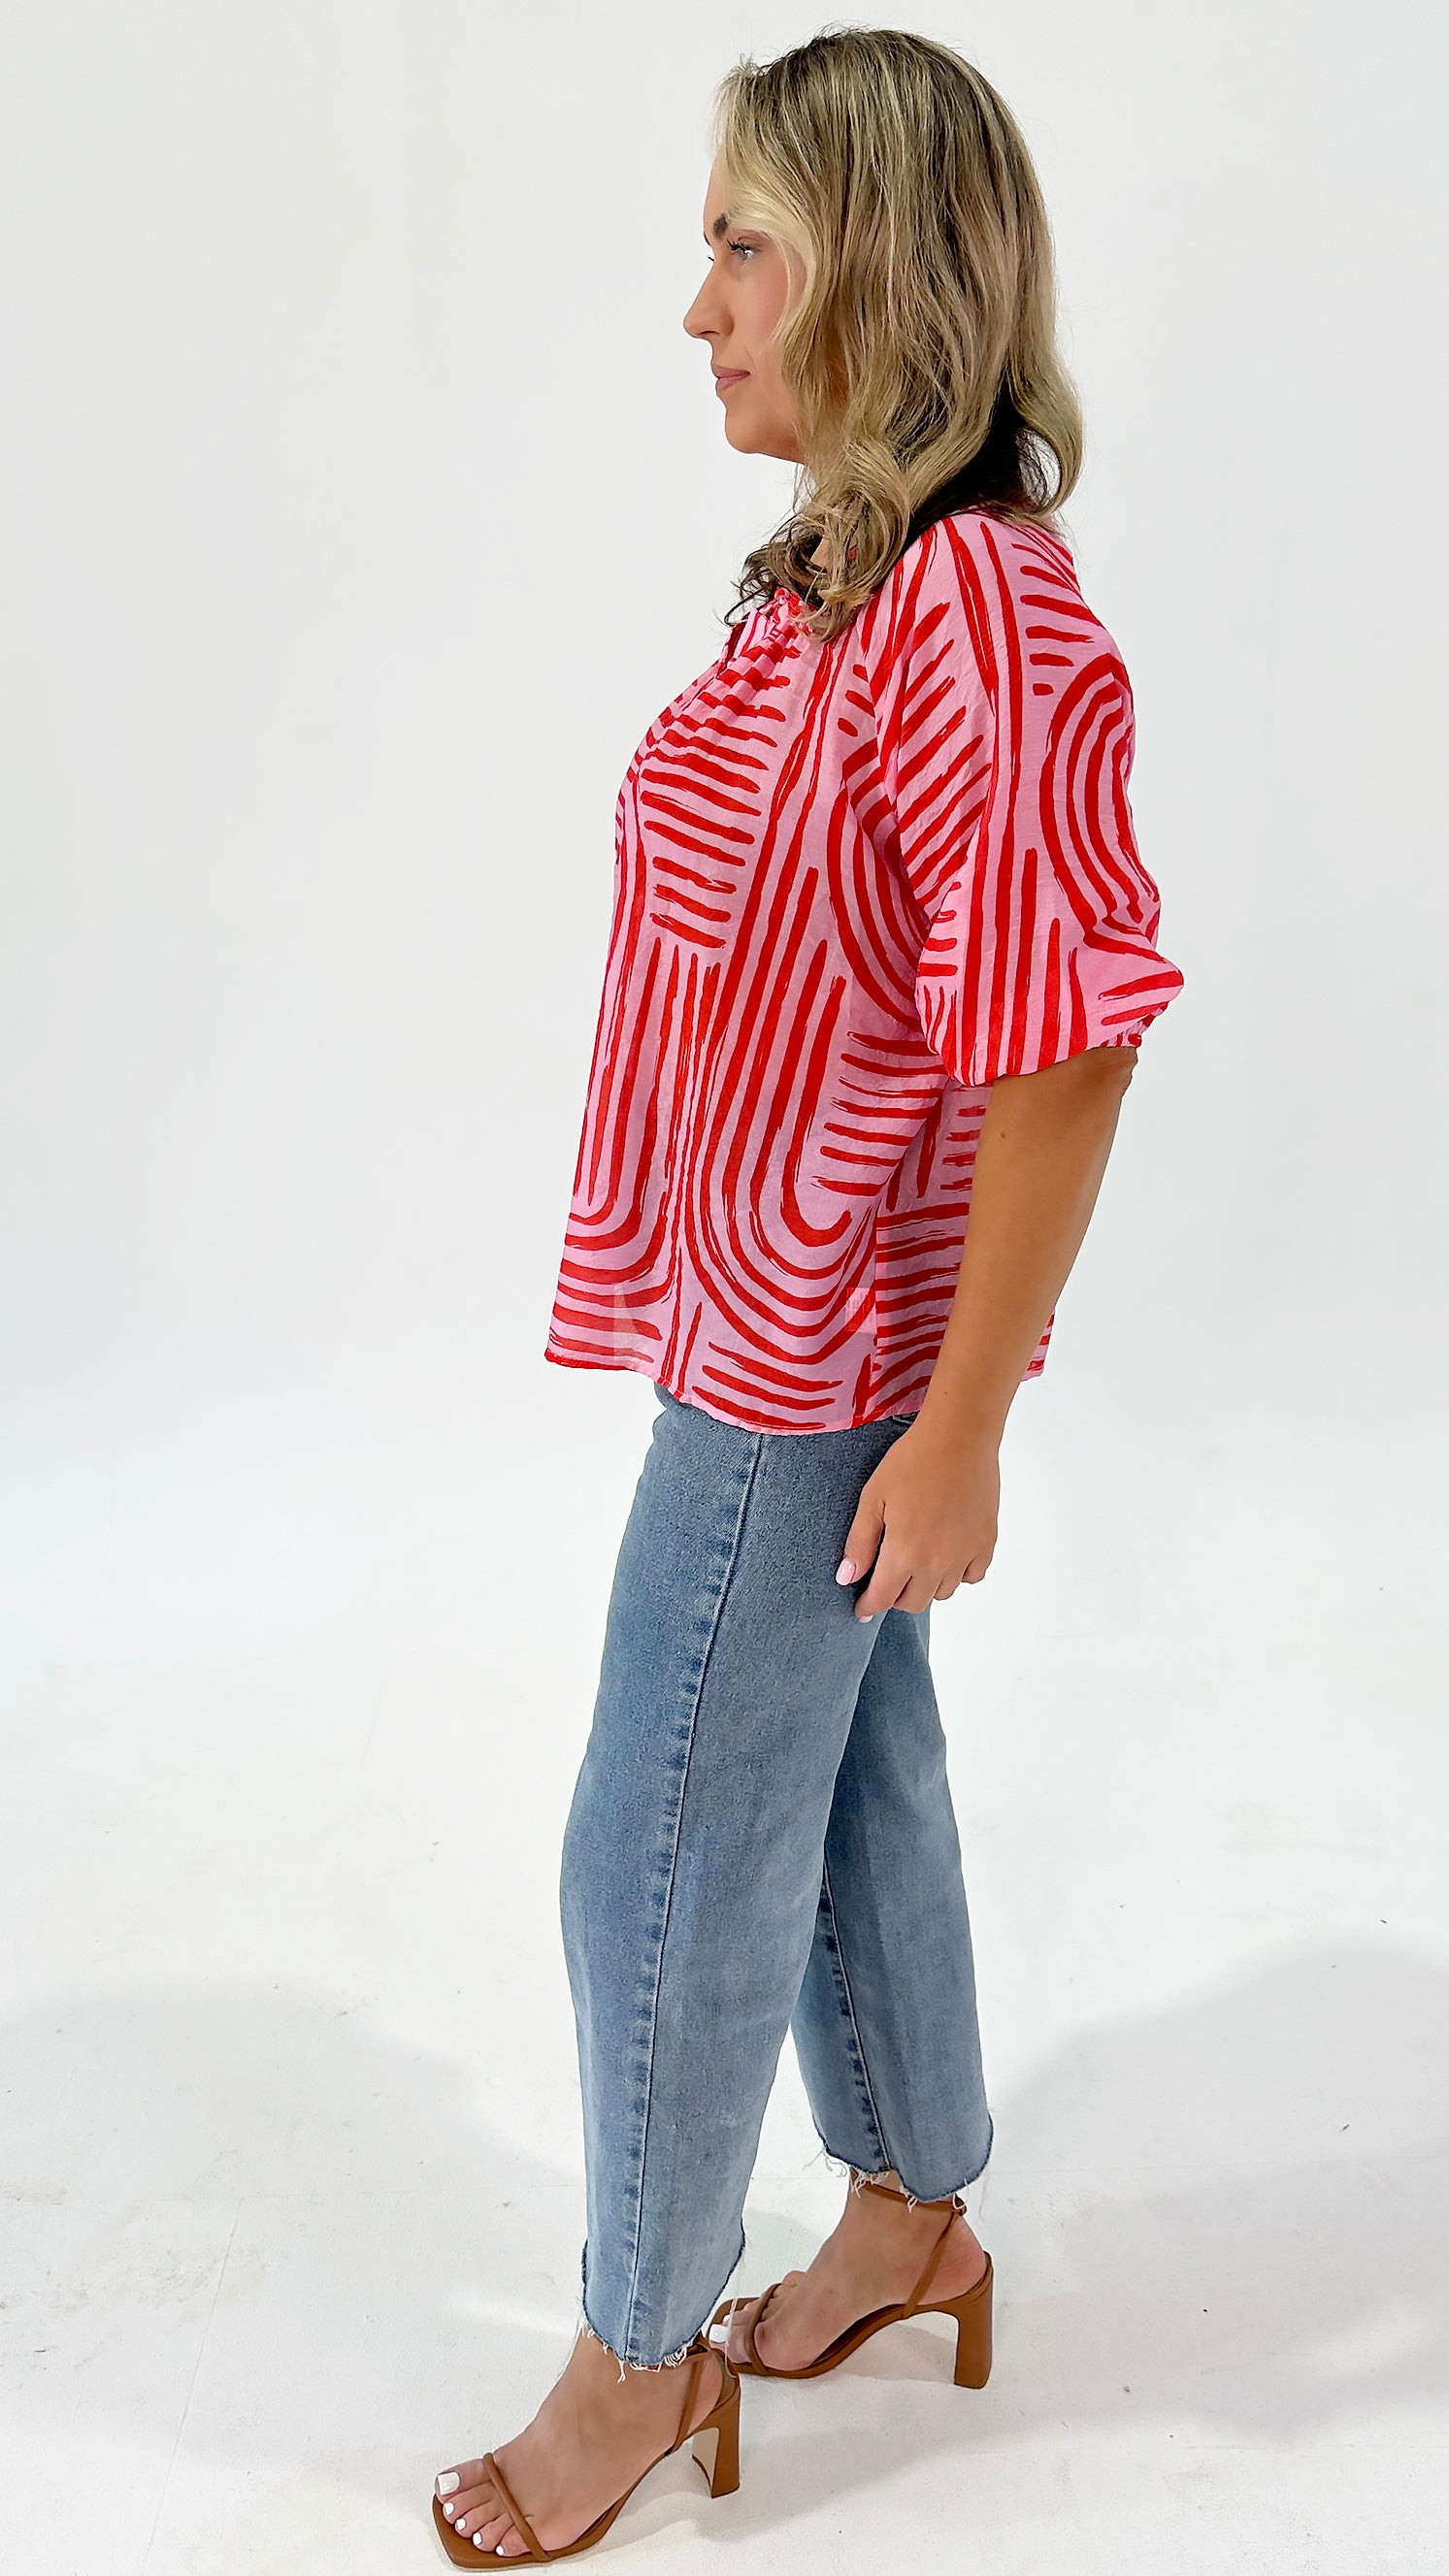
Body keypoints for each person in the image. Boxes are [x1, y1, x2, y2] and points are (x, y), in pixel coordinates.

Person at [432, 26, 1183, 2564]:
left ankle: (634, 2353)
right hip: (768, 1314)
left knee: (650, 1842)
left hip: (818, 1361)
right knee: (848, 1792)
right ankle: (914, 2215)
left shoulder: (982, 609)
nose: (701, 307)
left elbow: (1066, 1037)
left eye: (747, 246)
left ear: (879, 268)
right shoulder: (845, 584)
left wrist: (963, 1428)